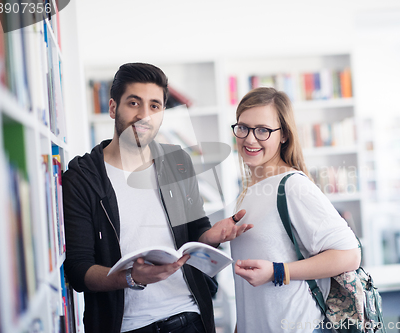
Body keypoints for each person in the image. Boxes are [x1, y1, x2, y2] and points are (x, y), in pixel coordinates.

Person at [63, 62, 252, 333]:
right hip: (127, 326)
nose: (144, 115)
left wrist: (210, 237)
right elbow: (80, 271)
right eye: (134, 103)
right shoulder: (83, 178)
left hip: (190, 318)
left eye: (154, 106)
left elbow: (196, 231)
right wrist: (128, 277)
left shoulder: (177, 162)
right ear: (113, 107)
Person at [229, 87, 361, 333]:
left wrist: (277, 271)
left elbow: (349, 255)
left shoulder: (293, 186)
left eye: (262, 130)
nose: (249, 138)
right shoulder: (248, 191)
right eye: (243, 127)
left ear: (283, 135)